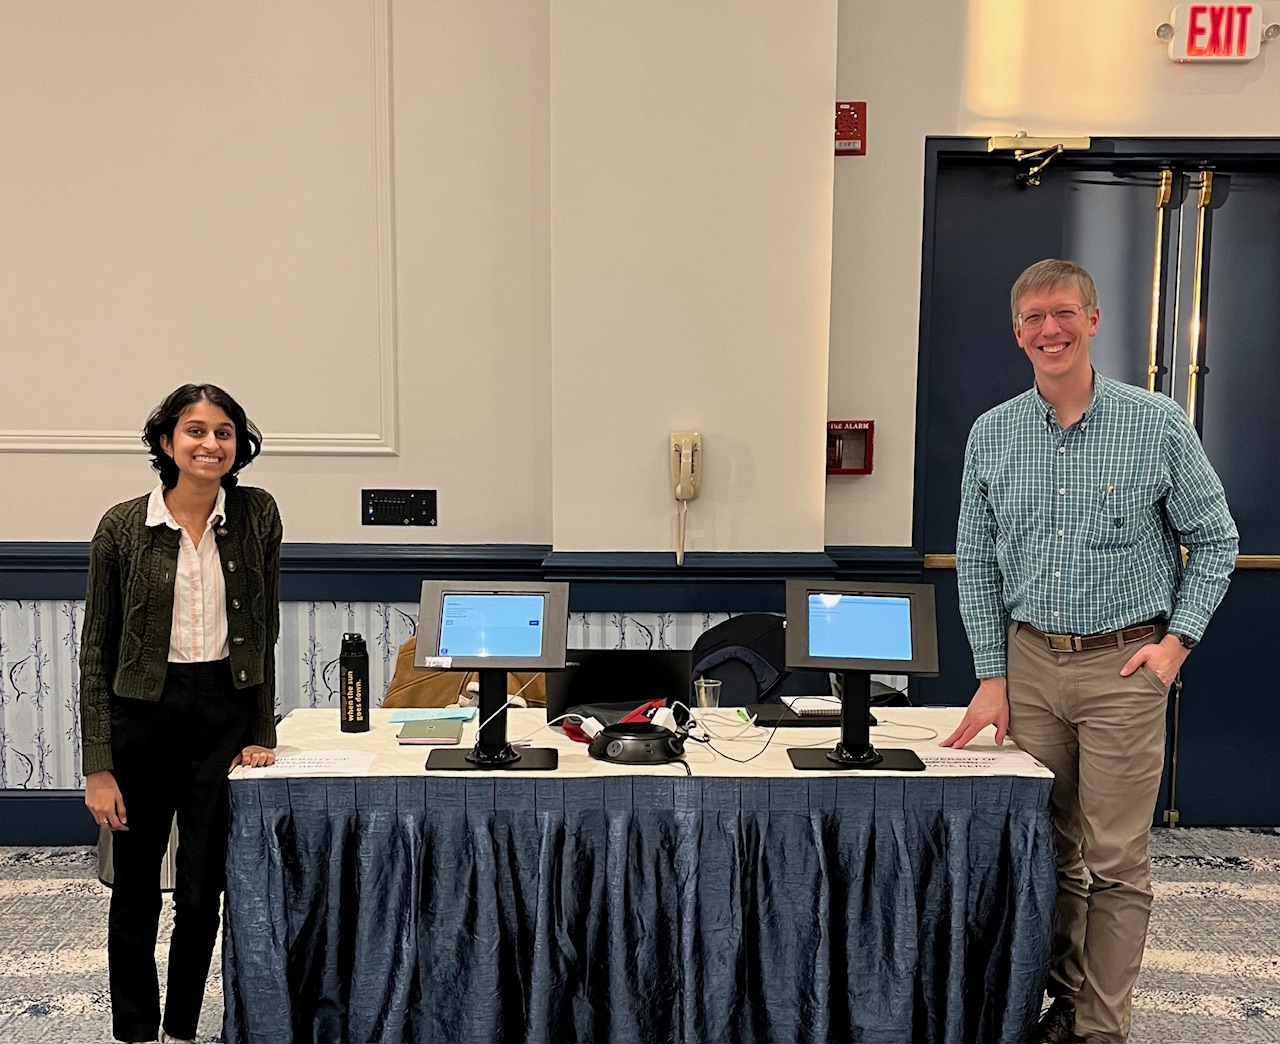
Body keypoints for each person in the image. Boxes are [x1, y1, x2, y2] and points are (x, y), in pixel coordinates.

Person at [942, 260, 1237, 1044]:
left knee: (1114, 862)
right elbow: (976, 563)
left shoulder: (1156, 423)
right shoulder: (992, 435)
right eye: (1034, 317)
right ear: (1017, 333)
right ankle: (1064, 1003)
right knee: (1048, 853)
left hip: (1123, 666)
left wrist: (1176, 645)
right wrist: (992, 675)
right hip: (1029, 668)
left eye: (1065, 312)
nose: (1051, 330)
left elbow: (1216, 540)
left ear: (1094, 320)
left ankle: (1101, 1029)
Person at [80, 384, 283, 1043]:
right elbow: (95, 651)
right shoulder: (122, 527)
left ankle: (182, 1028)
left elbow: (264, 631)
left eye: (223, 432)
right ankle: (137, 1030)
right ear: (166, 442)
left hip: (223, 714)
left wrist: (260, 732)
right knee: (136, 889)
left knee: (202, 892)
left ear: (238, 446)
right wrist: (98, 765)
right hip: (144, 716)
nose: (210, 444)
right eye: (195, 430)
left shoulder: (256, 514)